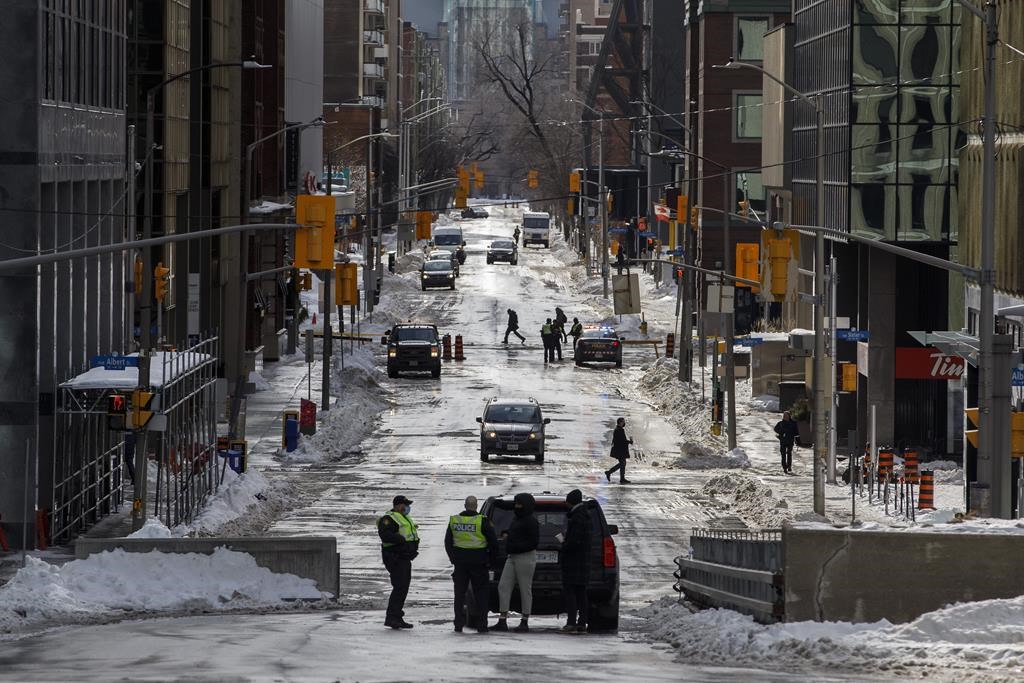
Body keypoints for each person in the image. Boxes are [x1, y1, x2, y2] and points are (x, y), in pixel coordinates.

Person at [445, 495, 500, 633]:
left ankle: (458, 624)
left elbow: (448, 542)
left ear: (465, 505)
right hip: (479, 564)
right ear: (476, 506)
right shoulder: (482, 521)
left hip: (461, 564)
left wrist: (453, 559)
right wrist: (491, 561)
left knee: (459, 595)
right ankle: (482, 625)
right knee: (481, 595)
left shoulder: (455, 520)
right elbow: (494, 543)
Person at [492, 493, 539, 633]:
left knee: (525, 589)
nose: (516, 506)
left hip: (525, 557)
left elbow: (533, 542)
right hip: (512, 557)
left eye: (519, 504)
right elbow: (508, 507)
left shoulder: (531, 521)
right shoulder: (517, 518)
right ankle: (502, 619)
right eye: (516, 503)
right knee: (503, 586)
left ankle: (524, 621)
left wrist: (515, 545)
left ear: (526, 506)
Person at [377, 495, 420, 629]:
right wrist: (401, 540)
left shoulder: (403, 517)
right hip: (395, 558)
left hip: (404, 558)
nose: (407, 507)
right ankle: (392, 618)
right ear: (397, 505)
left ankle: (397, 617)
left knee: (403, 588)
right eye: (404, 505)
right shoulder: (389, 519)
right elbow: (385, 535)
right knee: (400, 587)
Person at [559, 489, 591, 633]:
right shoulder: (585, 515)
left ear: (570, 501)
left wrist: (564, 546)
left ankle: (572, 622)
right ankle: (582, 622)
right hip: (583, 561)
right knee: (581, 592)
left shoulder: (577, 517)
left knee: (571, 592)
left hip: (574, 561)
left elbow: (574, 541)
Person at [604, 417, 633, 484]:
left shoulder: (618, 429)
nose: (624, 423)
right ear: (620, 422)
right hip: (619, 450)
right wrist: (629, 442)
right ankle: (609, 472)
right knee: (622, 463)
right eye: (623, 421)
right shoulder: (619, 430)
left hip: (619, 449)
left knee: (623, 463)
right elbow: (622, 440)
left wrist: (628, 442)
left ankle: (622, 478)